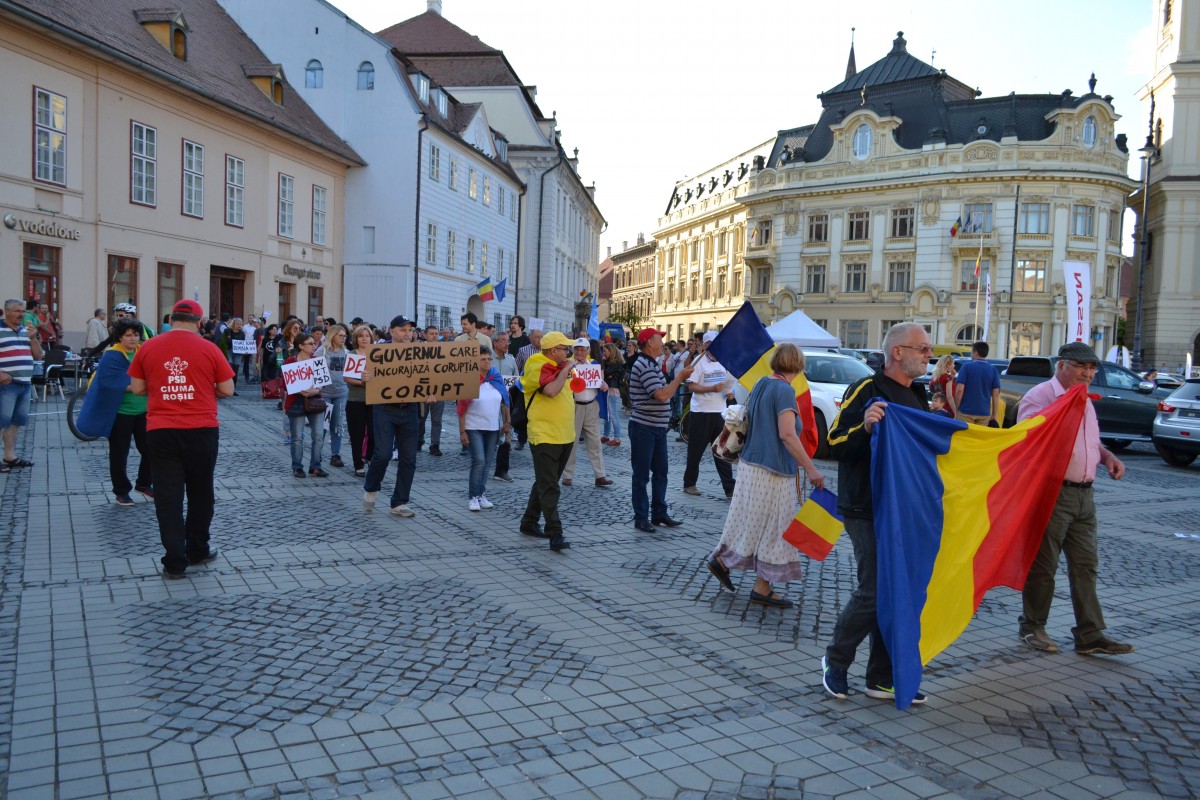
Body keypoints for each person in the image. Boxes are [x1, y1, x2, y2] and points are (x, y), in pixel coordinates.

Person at [822, 321, 931, 703]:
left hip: (905, 509)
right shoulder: (866, 389)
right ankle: (835, 662)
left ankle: (881, 677)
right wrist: (865, 429)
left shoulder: (918, 394)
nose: (928, 354)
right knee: (875, 590)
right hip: (865, 506)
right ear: (898, 352)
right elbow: (834, 442)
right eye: (922, 348)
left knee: (899, 590)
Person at [1016, 342, 1133, 656]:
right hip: (1053, 493)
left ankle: (1090, 633)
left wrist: (1107, 456)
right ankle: (1032, 626)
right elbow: (1026, 443)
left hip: (1084, 496)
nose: (1089, 373)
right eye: (1082, 367)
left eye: (1093, 368)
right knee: (1044, 565)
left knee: (1086, 565)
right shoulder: (1041, 397)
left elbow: (1088, 441)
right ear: (1061, 366)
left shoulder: (1085, 400)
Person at [706, 344, 825, 607]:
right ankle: (755, 583)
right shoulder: (784, 390)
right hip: (772, 471)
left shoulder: (762, 383)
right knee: (775, 527)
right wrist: (811, 468)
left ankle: (730, 565)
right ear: (798, 365)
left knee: (751, 521)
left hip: (751, 465)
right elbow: (787, 434)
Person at [128, 299, 234, 579]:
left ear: (172, 318)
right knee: (201, 493)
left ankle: (174, 562)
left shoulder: (148, 346)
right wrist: (201, 389)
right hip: (201, 429)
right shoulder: (209, 348)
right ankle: (197, 550)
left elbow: (137, 388)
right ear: (199, 322)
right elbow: (227, 389)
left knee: (168, 497)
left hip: (161, 430)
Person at [628, 328, 693, 532]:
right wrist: (680, 376)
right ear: (649, 343)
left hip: (656, 427)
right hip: (644, 427)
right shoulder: (644, 365)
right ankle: (641, 517)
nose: (662, 343)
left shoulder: (651, 363)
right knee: (641, 475)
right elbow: (662, 395)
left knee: (661, 472)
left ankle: (659, 513)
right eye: (659, 339)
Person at [519, 331, 578, 551]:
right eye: (565, 348)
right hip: (544, 435)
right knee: (550, 485)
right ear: (553, 350)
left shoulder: (561, 367)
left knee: (546, 481)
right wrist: (565, 370)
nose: (569, 352)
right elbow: (551, 391)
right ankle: (555, 533)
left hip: (564, 434)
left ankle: (529, 521)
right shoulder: (537, 363)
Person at [362, 316, 423, 517]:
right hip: (384, 409)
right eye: (403, 330)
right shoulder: (378, 352)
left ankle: (399, 502)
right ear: (392, 331)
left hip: (410, 409)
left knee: (409, 458)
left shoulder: (421, 352)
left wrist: (431, 391)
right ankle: (371, 487)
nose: (408, 334)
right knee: (383, 454)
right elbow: (365, 378)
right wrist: (365, 378)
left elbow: (428, 379)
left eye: (410, 330)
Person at [91, 319, 154, 505]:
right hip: (120, 412)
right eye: (128, 335)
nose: (133, 339)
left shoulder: (142, 351)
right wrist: (132, 387)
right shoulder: (112, 355)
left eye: (136, 334)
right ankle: (121, 490)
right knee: (119, 453)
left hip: (143, 410)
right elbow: (106, 382)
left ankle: (143, 484)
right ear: (120, 336)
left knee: (151, 449)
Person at [683, 331, 737, 498]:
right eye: (711, 343)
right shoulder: (699, 362)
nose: (715, 346)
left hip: (719, 413)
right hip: (701, 412)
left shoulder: (724, 362)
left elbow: (729, 383)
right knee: (695, 451)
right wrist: (711, 389)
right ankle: (690, 483)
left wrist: (730, 393)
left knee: (722, 451)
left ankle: (729, 488)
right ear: (705, 345)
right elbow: (691, 387)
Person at [458, 346, 511, 511]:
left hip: (492, 427)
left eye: (489, 359)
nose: (487, 362)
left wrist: (507, 421)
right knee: (479, 461)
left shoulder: (496, 378)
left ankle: (481, 494)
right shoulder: (470, 379)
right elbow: (461, 408)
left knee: (487, 462)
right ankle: (473, 496)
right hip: (473, 427)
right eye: (483, 359)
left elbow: (505, 400)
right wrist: (462, 431)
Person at [561, 338, 613, 488]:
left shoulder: (594, 365)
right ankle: (567, 475)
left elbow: (601, 384)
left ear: (588, 351)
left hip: (591, 405)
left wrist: (603, 385)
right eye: (577, 349)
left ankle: (600, 475)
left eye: (583, 349)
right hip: (574, 406)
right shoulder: (568, 365)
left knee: (595, 441)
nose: (579, 352)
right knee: (572, 442)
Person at [0, 299, 43, 472]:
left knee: (15, 422)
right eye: (17, 311)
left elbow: (38, 356)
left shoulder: (27, 331)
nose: (21, 315)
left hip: (24, 383)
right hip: (5, 383)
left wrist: (33, 338)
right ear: (6, 311)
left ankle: (10, 456)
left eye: (23, 311)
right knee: (1, 420)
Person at [283, 333, 328, 478]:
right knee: (297, 437)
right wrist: (300, 390)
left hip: (314, 401)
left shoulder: (317, 361)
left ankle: (315, 466)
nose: (314, 346)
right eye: (311, 344)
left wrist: (316, 390)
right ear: (301, 346)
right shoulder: (290, 361)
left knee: (319, 435)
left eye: (314, 344)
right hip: (296, 402)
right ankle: (297, 467)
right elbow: (285, 383)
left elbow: (323, 382)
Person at [344, 325, 376, 477]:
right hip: (356, 400)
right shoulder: (352, 354)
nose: (364, 338)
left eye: (367, 335)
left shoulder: (376, 355)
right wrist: (362, 382)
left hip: (374, 399)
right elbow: (347, 378)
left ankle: (369, 456)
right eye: (361, 336)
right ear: (356, 339)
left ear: (371, 338)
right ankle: (358, 464)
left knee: (374, 432)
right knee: (356, 434)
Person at [321, 324, 350, 468]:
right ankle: (317, 453)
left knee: (338, 424)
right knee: (324, 424)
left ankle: (335, 454)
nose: (344, 338)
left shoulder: (347, 352)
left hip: (341, 393)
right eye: (341, 335)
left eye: (345, 336)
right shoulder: (323, 351)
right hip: (325, 393)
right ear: (333, 336)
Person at [492, 332, 518, 483]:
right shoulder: (488, 359)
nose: (507, 343)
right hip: (490, 403)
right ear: (495, 343)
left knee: (506, 435)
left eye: (508, 341)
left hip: (505, 403)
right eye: (503, 341)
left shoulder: (510, 361)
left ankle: (502, 470)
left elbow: (515, 380)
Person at [954, 342, 1000, 426]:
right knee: (979, 438)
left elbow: (959, 389)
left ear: (976, 353)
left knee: (965, 438)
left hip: (966, 412)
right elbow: (996, 394)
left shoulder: (966, 367)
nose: (971, 355)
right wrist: (994, 414)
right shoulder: (993, 370)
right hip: (984, 413)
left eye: (972, 352)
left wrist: (956, 408)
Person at [418, 325, 445, 455]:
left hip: (439, 389)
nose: (434, 336)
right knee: (421, 417)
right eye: (431, 333)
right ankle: (418, 440)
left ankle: (435, 444)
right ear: (425, 335)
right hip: (422, 389)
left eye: (436, 333)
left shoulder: (444, 350)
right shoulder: (419, 350)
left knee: (437, 419)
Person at [601, 342, 625, 446]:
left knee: (613, 414)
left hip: (613, 389)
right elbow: (606, 374)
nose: (604, 353)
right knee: (607, 413)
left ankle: (617, 438)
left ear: (611, 351)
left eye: (605, 351)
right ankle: (606, 435)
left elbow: (605, 373)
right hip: (608, 388)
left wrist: (607, 374)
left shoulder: (617, 363)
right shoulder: (609, 362)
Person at [220, 317, 246, 395]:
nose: (239, 326)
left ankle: (233, 389)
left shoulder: (242, 333)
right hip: (229, 351)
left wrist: (245, 350)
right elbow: (223, 342)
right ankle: (226, 387)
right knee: (230, 368)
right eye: (237, 324)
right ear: (233, 324)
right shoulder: (227, 331)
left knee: (235, 371)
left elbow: (243, 343)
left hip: (238, 353)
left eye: (240, 324)